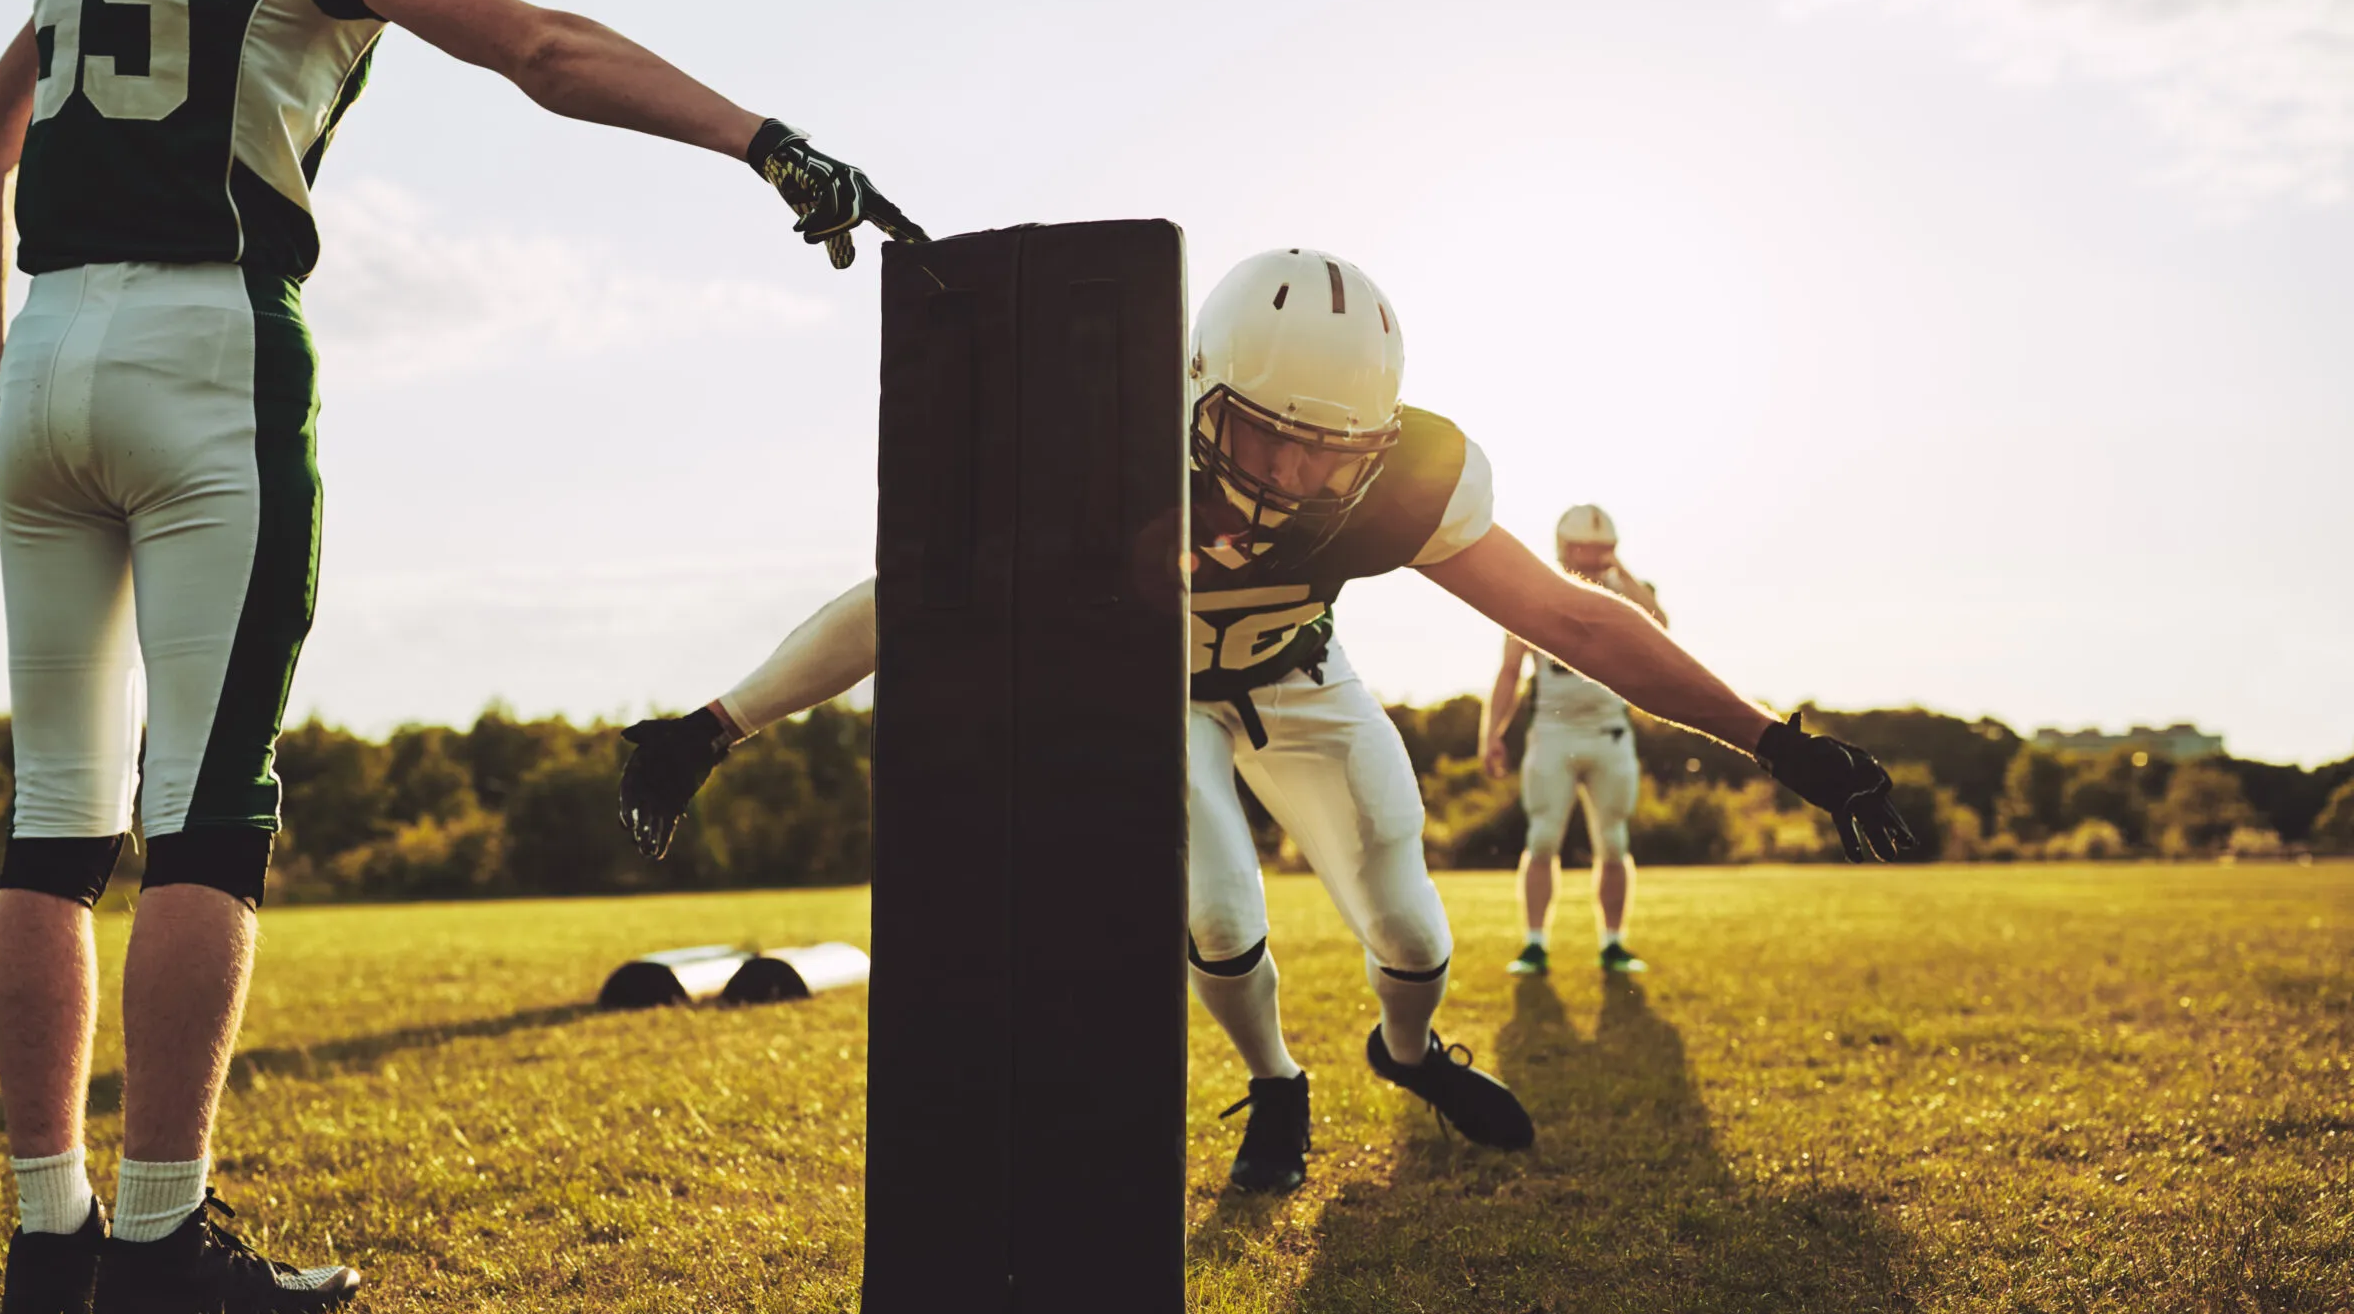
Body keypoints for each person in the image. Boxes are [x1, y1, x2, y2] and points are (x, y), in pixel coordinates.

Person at [0, 0, 925, 1314]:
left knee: (53, 818)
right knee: (205, 808)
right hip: (208, 341)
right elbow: (530, 46)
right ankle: (163, 1238)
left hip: (42, 357)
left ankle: (50, 1237)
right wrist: (760, 139)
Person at [616, 248, 1913, 1197]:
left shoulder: (1414, 475)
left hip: (1302, 679)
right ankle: (1279, 1081)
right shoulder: (1102, 457)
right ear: (1196, 391)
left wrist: (1779, 740)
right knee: (1223, 907)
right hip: (1156, 694)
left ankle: (1405, 1055)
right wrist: (718, 723)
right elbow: (913, 600)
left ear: (1382, 435)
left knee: (1410, 925)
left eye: (1328, 448)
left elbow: (1573, 620)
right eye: (1265, 432)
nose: (1293, 473)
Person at [1481, 505, 1666, 976]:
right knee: (1542, 839)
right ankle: (1535, 942)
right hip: (1554, 731)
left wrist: (1619, 568)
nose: (1592, 559)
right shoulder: (1532, 594)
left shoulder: (1627, 592)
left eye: (1601, 550)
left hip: (1609, 732)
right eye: (1586, 549)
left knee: (1614, 842)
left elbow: (1661, 628)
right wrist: (1492, 733)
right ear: (1565, 548)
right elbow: (1509, 670)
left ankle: (1613, 942)